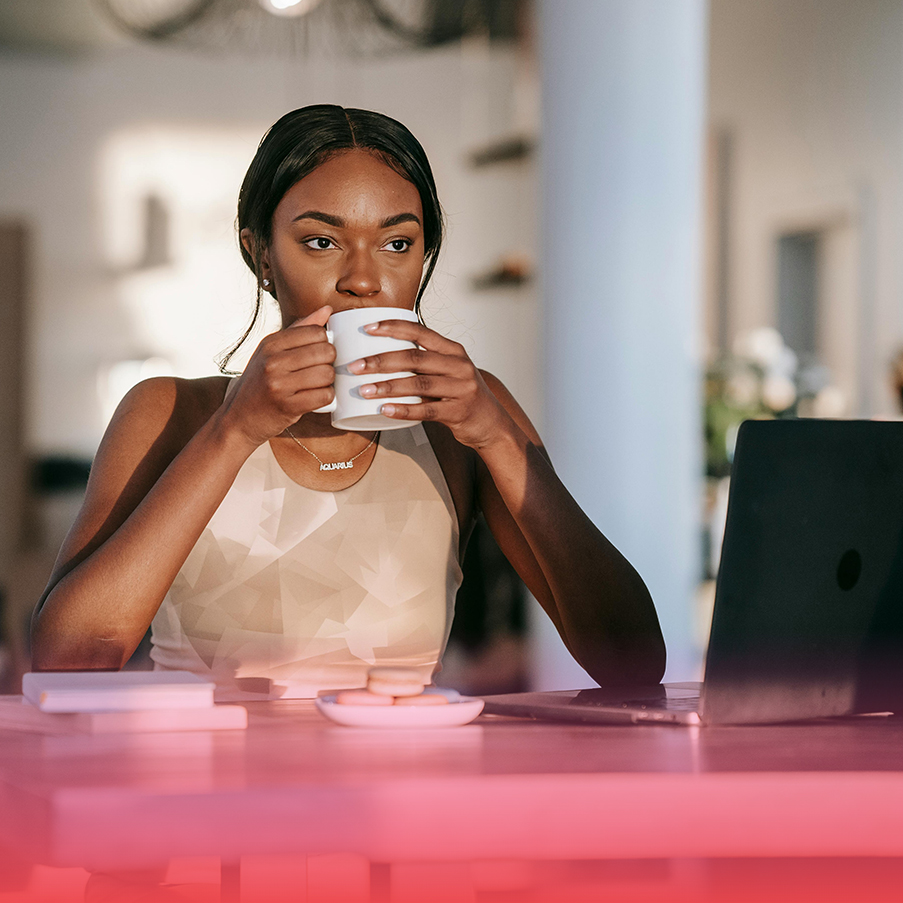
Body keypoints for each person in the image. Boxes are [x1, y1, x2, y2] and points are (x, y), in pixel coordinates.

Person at [30, 105, 666, 695]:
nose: (363, 278)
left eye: (397, 244)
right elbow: (66, 661)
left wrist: (498, 438)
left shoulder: (463, 420)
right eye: (321, 241)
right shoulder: (171, 413)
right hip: (207, 799)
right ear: (261, 255)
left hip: (406, 805)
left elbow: (634, 665)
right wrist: (236, 431)